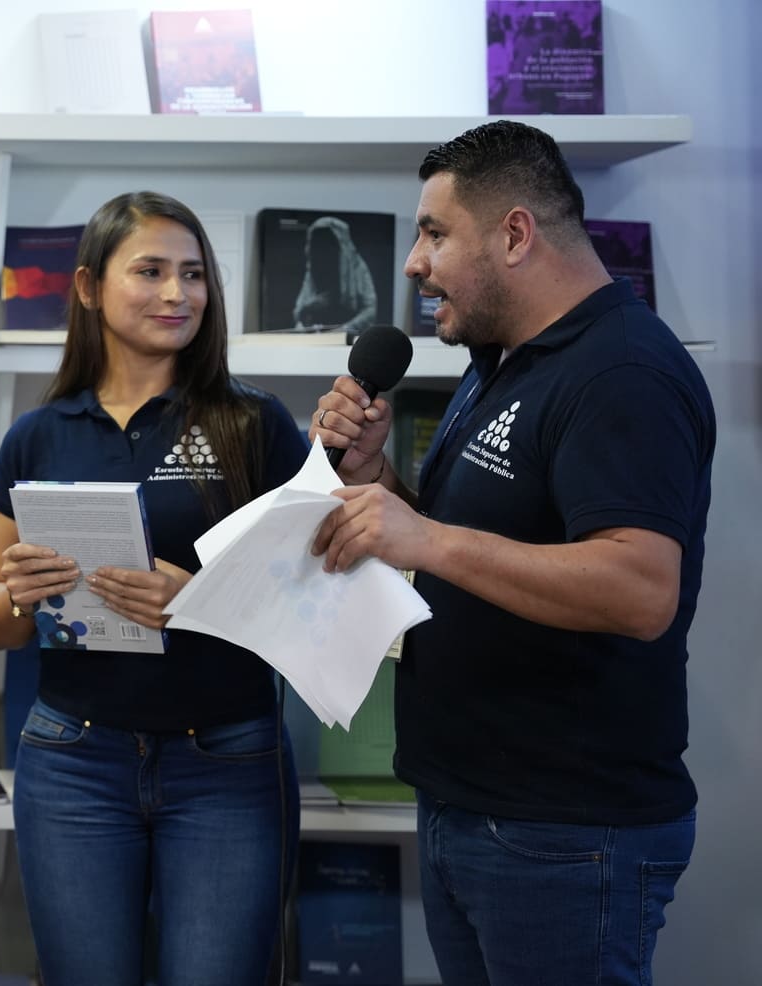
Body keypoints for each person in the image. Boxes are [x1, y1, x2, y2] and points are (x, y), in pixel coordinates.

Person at [310, 120, 713, 986]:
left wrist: (427, 536)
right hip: (472, 804)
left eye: (434, 233)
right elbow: (468, 546)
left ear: (516, 234)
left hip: (564, 831)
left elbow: (641, 587)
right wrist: (378, 479)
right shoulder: (503, 361)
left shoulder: (622, 373)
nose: (413, 263)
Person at [0, 191, 309, 985]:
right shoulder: (38, 435)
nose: (177, 293)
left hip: (227, 760)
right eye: (151, 271)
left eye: (193, 274)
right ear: (89, 287)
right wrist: (19, 591)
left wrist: (197, 597)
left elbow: (312, 599)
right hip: (72, 761)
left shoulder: (255, 424)